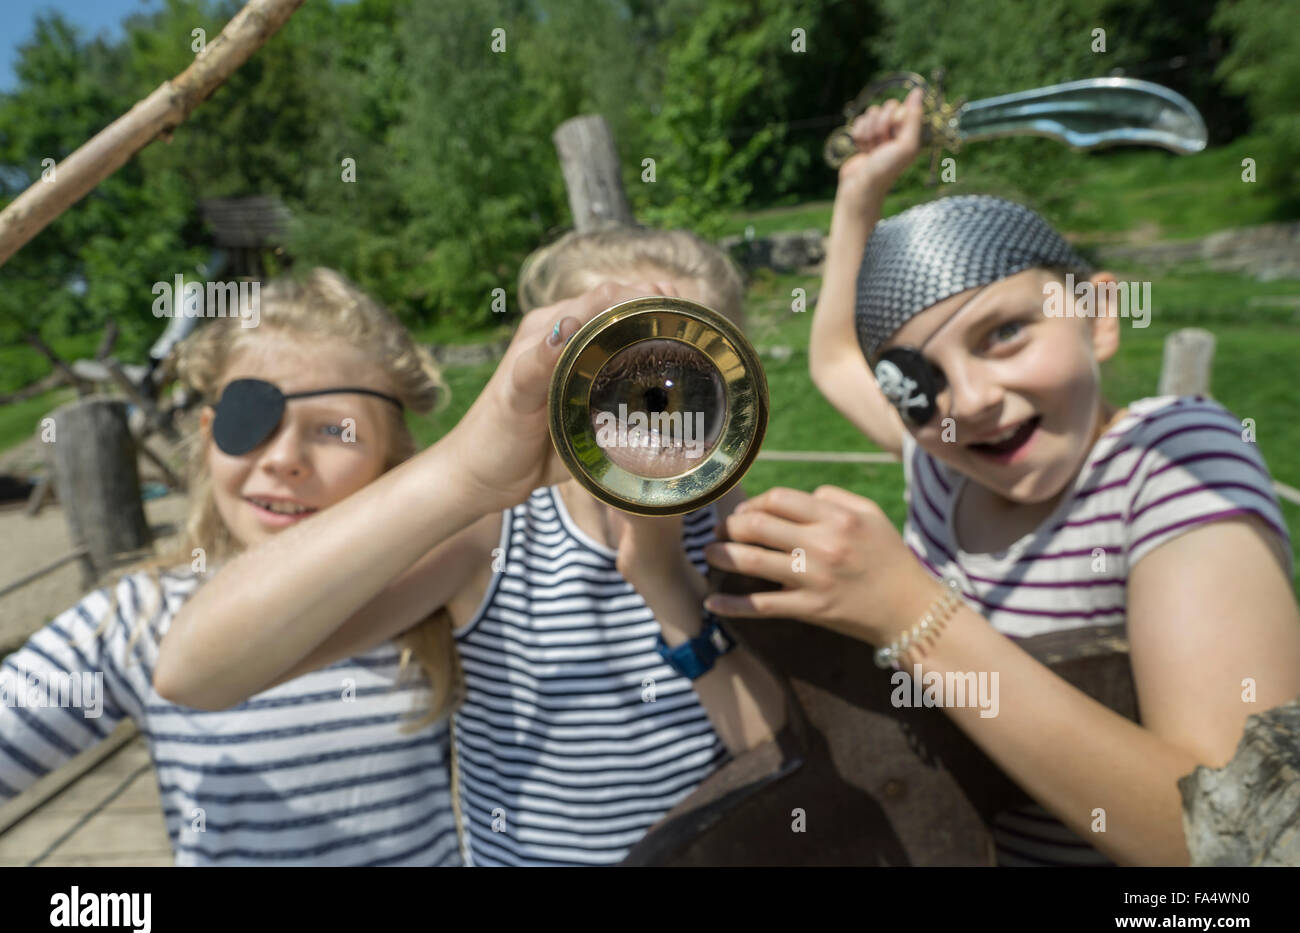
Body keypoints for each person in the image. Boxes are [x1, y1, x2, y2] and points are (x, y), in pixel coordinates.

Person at [702, 89, 1300, 866]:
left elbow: (1241, 842)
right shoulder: (944, 464)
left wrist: (912, 613)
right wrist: (860, 191)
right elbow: (835, 359)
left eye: (1007, 333)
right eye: (922, 378)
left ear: (1100, 313)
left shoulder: (1172, 463)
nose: (974, 401)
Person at [156, 227, 787, 866]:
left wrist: (666, 583)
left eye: (685, 371)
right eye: (615, 365)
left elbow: (781, 756)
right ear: (556, 377)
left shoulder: (742, 532)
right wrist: (464, 475)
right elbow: (195, 672)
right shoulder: (491, 536)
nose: (649, 406)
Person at [0, 269, 462, 865]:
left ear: (392, 460)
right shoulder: (140, 619)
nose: (284, 460)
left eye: (332, 430)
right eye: (254, 422)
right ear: (211, 435)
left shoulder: (436, 598)